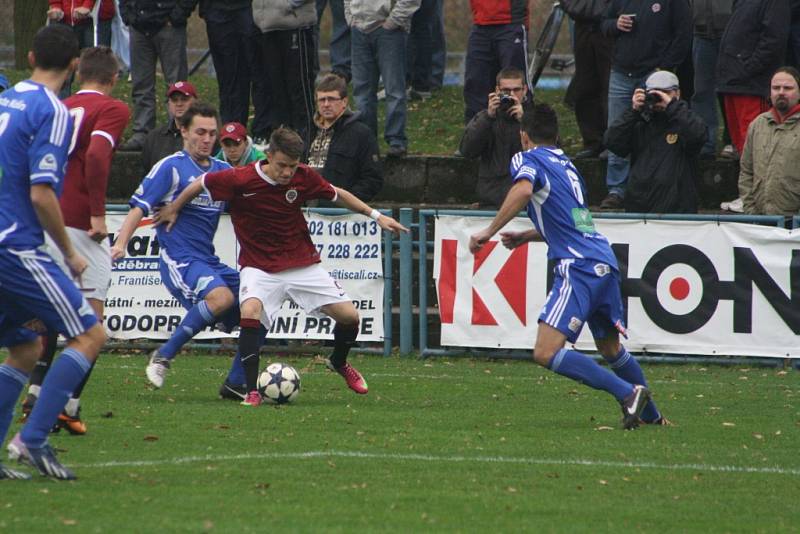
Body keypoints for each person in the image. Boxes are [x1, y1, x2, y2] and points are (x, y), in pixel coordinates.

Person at [153, 127, 408, 406]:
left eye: (293, 166)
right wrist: (175, 207)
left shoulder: (303, 177)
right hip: (259, 268)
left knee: (350, 318)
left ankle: (338, 362)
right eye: (282, 166)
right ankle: (250, 391)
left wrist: (376, 216)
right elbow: (200, 183)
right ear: (269, 156)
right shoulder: (240, 178)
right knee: (250, 310)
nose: (287, 173)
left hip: (301, 265)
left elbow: (337, 194)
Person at [469, 103, 668, 430]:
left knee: (545, 352)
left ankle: (627, 393)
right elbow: (574, 221)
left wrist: (487, 231)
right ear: (557, 135)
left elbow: (522, 189)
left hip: (578, 267)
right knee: (611, 348)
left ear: (524, 137)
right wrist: (526, 236)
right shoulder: (568, 165)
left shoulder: (527, 158)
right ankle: (652, 416)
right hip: (603, 260)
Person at [0, 24, 107, 481]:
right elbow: (42, 193)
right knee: (90, 335)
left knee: (24, 345)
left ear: (29, 57)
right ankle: (34, 439)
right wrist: (69, 252)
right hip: (15, 245)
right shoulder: (54, 110)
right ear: (75, 65)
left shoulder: (5, 98)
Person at [19, 46, 130, 436]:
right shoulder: (112, 109)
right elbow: (98, 156)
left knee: (51, 317)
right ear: (113, 78)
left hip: (45, 216)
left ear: (78, 74)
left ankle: (37, 394)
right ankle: (64, 405)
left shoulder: (59, 105)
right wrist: (98, 213)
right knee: (92, 324)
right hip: (81, 223)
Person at [111, 102, 247, 398]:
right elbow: (139, 208)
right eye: (200, 132)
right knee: (221, 296)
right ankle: (163, 355)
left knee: (259, 306)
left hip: (208, 260)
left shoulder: (224, 170)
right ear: (184, 131)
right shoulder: (171, 167)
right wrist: (121, 243)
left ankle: (236, 383)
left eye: (212, 133)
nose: (207, 139)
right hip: (179, 259)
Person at [600, 0, 691, 210]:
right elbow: (603, 23)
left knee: (656, 129)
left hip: (654, 74)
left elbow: (683, 35)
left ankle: (654, 186)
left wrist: (664, 68)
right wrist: (615, 24)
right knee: (617, 128)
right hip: (621, 72)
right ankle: (616, 189)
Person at [604, 70, 706, 213]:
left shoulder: (685, 120)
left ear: (677, 93)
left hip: (677, 210)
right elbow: (612, 142)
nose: (659, 98)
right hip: (639, 207)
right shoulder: (640, 122)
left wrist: (672, 107)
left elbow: (698, 136)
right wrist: (633, 112)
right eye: (654, 93)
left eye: (665, 92)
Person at [345, 0, 421, 157]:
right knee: (362, 92)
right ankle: (366, 143)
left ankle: (396, 141)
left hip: (389, 30)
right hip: (359, 28)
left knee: (394, 90)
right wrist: (350, 17)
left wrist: (393, 21)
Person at [118, 0, 196, 151]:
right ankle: (142, 132)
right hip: (138, 25)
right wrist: (128, 15)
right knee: (141, 84)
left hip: (169, 25)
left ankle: (179, 131)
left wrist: (177, 15)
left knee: (177, 86)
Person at [458, 67, 530, 208]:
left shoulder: (536, 118)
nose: (511, 95)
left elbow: (551, 153)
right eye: (506, 91)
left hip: (526, 203)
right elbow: (466, 151)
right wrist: (488, 117)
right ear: (497, 91)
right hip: (490, 201)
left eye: (516, 90)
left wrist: (525, 121)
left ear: (525, 90)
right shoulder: (485, 117)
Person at [251, 0, 317, 149]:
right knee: (276, 92)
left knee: (299, 91)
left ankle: (308, 147)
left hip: (295, 24)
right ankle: (284, 147)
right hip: (266, 25)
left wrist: (287, 4)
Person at [308, 72, 382, 201]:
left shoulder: (361, 134)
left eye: (331, 99)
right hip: (304, 209)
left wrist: (346, 202)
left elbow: (373, 179)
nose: (326, 104)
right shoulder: (308, 131)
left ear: (344, 102)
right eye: (321, 99)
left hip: (341, 213)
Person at [738, 67, 800, 216]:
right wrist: (751, 211)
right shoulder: (757, 125)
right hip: (761, 222)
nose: (781, 92)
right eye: (776, 88)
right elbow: (746, 171)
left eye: (788, 88)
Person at [462, 0, 530, 124]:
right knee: (475, 81)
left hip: (511, 22)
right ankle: (476, 132)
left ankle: (523, 130)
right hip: (480, 22)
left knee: (514, 80)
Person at [561, 0, 613, 159]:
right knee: (585, 85)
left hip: (611, 27)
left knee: (610, 86)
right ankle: (593, 141)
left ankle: (612, 142)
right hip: (582, 26)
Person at [198, 0, 254, 126]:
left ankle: (238, 127)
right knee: (225, 77)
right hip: (215, 12)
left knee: (243, 73)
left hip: (243, 10)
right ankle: (227, 125)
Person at [691, 0, 732, 159]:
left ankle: (732, 140)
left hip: (730, 30)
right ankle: (705, 143)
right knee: (701, 91)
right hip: (700, 32)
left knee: (730, 89)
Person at [141, 81, 197, 173]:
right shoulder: (154, 137)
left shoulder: (204, 135)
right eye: (174, 100)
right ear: (169, 104)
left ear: (195, 102)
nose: (179, 104)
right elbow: (145, 173)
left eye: (184, 99)